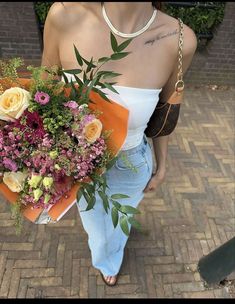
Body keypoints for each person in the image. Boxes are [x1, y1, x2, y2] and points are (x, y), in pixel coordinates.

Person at [41, 2, 197, 286]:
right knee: (96, 227)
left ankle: (113, 249)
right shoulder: (64, 15)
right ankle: (105, 257)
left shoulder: (178, 39)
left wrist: (163, 164)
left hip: (131, 163)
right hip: (78, 163)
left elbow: (165, 111)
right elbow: (45, 90)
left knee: (120, 221)